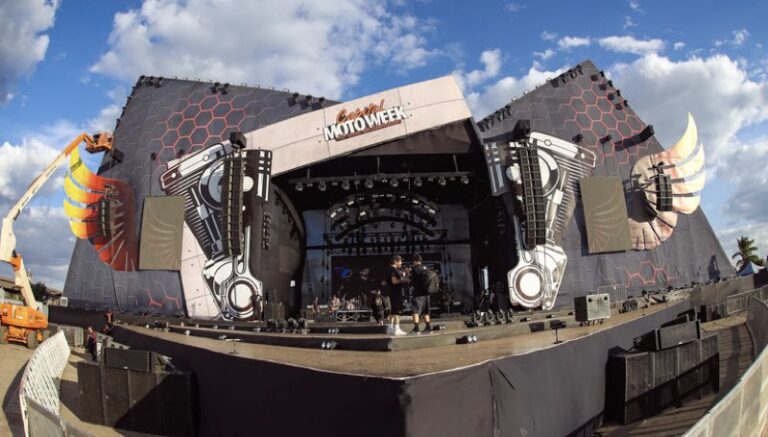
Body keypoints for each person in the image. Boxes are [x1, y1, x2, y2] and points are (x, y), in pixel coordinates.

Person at [384, 255, 409, 335]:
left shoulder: (390, 269)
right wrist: (404, 280)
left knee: (393, 311)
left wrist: (403, 275)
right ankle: (397, 329)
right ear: (395, 261)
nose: (401, 263)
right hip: (396, 292)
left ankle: (390, 328)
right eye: (400, 261)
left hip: (392, 292)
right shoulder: (393, 269)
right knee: (397, 311)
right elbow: (394, 281)